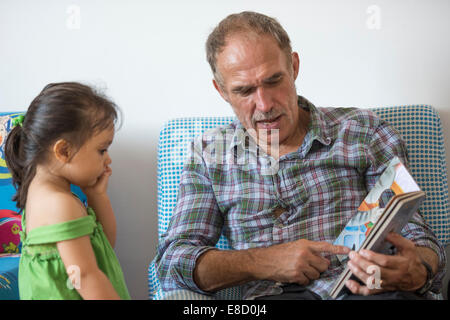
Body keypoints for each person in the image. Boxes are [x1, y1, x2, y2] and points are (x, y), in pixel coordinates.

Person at [155, 11, 446, 300]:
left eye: (273, 81)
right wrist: (263, 262)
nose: (265, 104)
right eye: (244, 90)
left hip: (366, 292)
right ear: (221, 91)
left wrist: (417, 269)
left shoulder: (364, 132)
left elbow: (417, 238)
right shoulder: (209, 156)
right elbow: (172, 265)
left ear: (293, 67)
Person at [4, 82, 130, 300]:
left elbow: (104, 249)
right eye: (102, 150)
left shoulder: (44, 195)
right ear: (63, 150)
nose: (108, 159)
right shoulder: (58, 204)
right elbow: (85, 276)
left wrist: (97, 196)